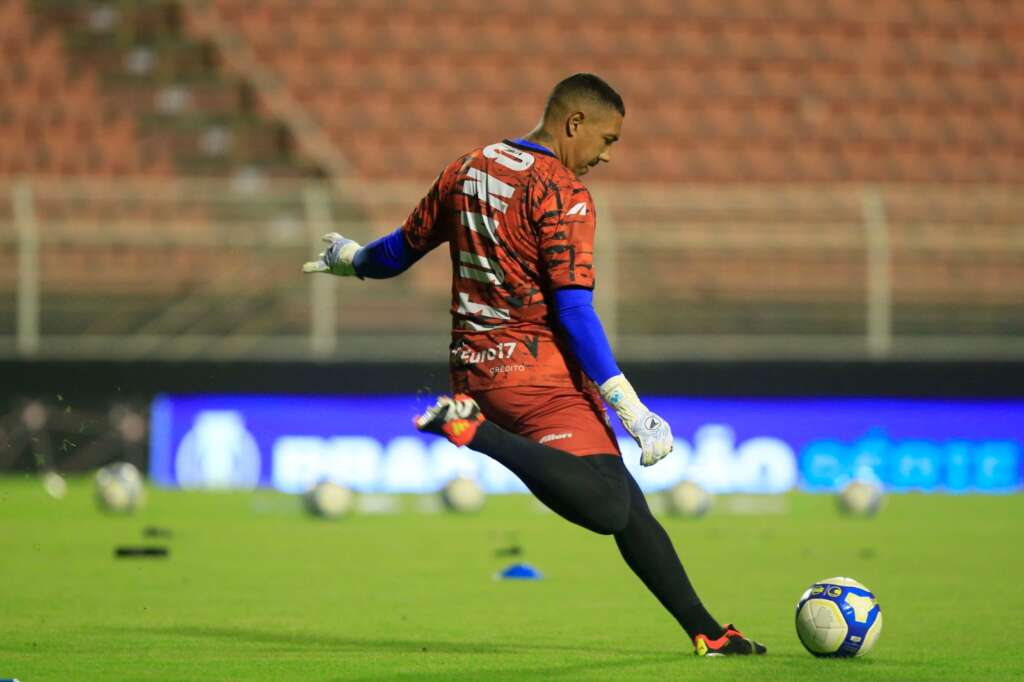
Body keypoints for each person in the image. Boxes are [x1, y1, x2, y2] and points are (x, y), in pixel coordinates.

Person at [303, 73, 766, 657]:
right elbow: (573, 309)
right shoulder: (561, 191)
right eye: (607, 139)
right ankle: (473, 431)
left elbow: (398, 251)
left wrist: (352, 261)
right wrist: (631, 407)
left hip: (474, 368)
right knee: (605, 507)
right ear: (574, 124)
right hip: (536, 376)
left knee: (626, 504)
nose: (605, 155)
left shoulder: (467, 168)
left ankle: (707, 631)